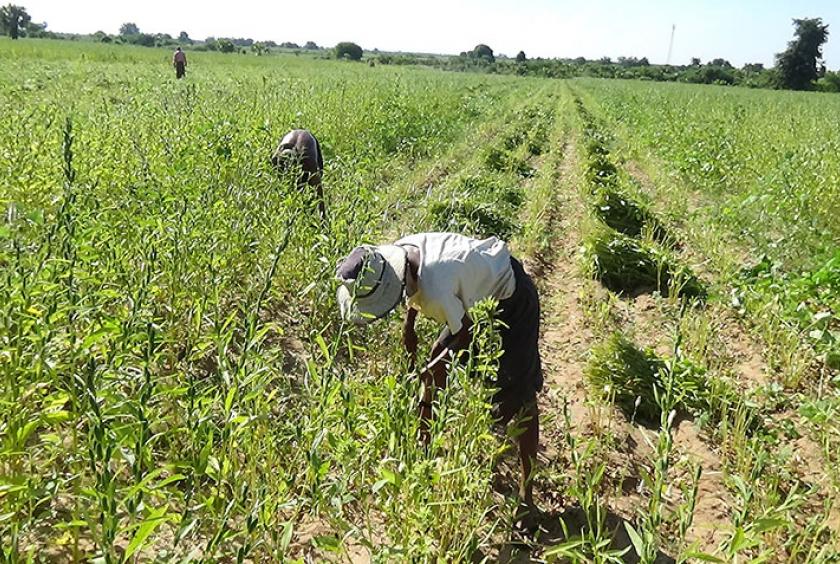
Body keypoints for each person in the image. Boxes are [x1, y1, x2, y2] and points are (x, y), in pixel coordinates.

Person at [335, 232, 543, 507]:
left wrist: (434, 367)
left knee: (520, 395)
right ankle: (427, 445)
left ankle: (527, 496)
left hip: (511, 296)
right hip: (477, 289)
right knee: (437, 359)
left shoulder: (436, 291)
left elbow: (465, 332)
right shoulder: (400, 253)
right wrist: (409, 327)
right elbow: (413, 286)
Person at [271, 129, 326, 219]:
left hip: (308, 141)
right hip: (290, 138)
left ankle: (306, 211)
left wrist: (323, 219)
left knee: (309, 183)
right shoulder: (276, 159)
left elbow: (319, 193)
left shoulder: (309, 162)